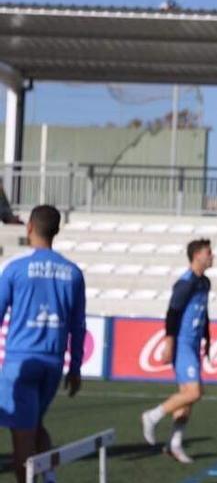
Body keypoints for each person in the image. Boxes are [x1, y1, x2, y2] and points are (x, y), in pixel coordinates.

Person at [0, 205, 86, 483]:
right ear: (56, 231)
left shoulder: (15, 269)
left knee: (21, 440)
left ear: (29, 229)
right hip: (53, 363)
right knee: (34, 424)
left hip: (21, 363)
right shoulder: (72, 273)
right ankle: (49, 477)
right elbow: (78, 325)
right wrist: (74, 368)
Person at [140, 239, 213, 464]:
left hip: (193, 344)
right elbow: (172, 314)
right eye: (208, 252)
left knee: (186, 400)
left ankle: (174, 444)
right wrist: (169, 343)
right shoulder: (185, 283)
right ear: (197, 256)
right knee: (194, 392)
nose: (212, 256)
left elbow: (203, 312)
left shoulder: (205, 282)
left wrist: (207, 339)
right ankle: (152, 416)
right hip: (182, 344)